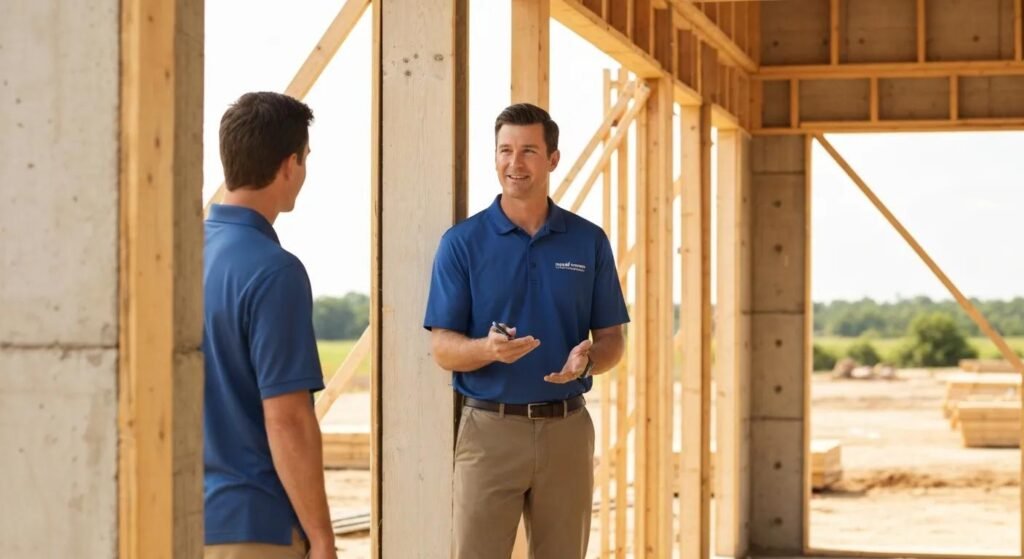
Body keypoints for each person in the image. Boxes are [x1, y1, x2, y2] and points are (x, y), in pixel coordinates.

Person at [423, 103, 629, 558]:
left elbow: (613, 340)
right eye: (505, 150)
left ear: (553, 159)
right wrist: (487, 350)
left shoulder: (587, 240)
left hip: (567, 431)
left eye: (529, 151)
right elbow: (442, 348)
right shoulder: (462, 243)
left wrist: (589, 358)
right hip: (488, 431)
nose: (514, 164)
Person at [203, 91, 336, 559]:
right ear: (289, 166)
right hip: (253, 526)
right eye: (306, 158)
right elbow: (287, 419)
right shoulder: (273, 270)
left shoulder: (178, 257)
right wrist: (321, 537)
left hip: (177, 514)